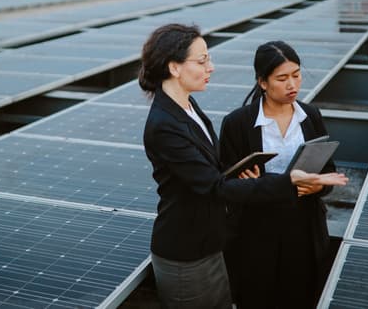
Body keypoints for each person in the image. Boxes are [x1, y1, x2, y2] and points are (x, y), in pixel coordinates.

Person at [139, 25, 348, 309]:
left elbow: (216, 171)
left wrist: (314, 184)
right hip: (192, 248)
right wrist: (286, 182)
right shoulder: (166, 124)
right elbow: (215, 185)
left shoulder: (188, 108)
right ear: (174, 67)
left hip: (219, 241)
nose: (211, 67)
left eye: (296, 76)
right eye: (202, 61)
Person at [219, 40, 339, 309]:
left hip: (304, 230)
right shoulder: (237, 123)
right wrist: (279, 185)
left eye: (296, 75)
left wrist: (317, 187)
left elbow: (327, 171)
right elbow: (226, 184)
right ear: (262, 82)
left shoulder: (310, 115)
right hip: (254, 234)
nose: (292, 85)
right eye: (282, 78)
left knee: (300, 297)